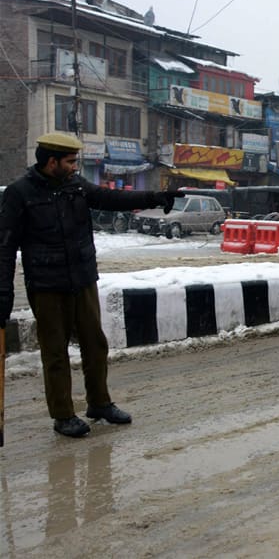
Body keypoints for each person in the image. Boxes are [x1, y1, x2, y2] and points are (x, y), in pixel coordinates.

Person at [0, 133, 184, 438]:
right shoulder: (20, 194)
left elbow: (110, 199)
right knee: (55, 352)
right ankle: (63, 415)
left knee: (95, 344)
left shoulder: (76, 187)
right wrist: (3, 292)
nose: (75, 167)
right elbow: (4, 247)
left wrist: (153, 197)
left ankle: (100, 403)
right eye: (70, 162)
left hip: (82, 278)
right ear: (51, 162)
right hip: (46, 286)